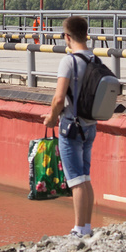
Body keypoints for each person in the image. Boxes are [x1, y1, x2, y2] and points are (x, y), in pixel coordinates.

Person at [43, 16, 96, 237]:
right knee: (85, 177)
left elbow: (58, 98)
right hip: (90, 125)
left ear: (67, 36)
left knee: (75, 179)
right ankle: (87, 226)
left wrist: (51, 118)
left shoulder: (69, 61)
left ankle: (78, 229)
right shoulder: (94, 58)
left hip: (70, 126)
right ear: (86, 33)